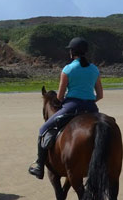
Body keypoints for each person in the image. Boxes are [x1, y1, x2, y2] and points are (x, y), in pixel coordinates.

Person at [28, 37, 102, 179]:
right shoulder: (94, 69)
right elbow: (100, 95)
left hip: (72, 107)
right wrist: (89, 101)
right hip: (92, 108)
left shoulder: (68, 69)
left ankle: (39, 165)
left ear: (72, 52)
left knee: (42, 129)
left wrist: (67, 100)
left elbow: (60, 97)